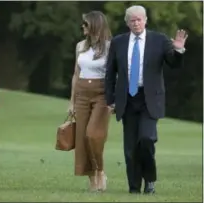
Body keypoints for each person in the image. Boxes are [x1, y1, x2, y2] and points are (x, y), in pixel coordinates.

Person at [105, 5, 188, 194]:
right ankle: (134, 188)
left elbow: (174, 64)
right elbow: (110, 73)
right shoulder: (118, 42)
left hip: (149, 99)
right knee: (130, 148)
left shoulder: (159, 40)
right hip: (127, 99)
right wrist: (110, 99)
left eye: (139, 19)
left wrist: (179, 51)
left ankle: (149, 180)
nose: (136, 23)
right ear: (127, 23)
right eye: (132, 20)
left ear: (145, 20)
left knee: (146, 139)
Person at [68, 11, 112, 192]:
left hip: (102, 94)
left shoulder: (110, 47)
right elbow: (76, 74)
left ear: (95, 25)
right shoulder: (80, 46)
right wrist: (72, 101)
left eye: (86, 24)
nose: (83, 27)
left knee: (93, 135)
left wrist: (114, 99)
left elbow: (115, 74)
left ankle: (100, 171)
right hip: (82, 93)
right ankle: (92, 177)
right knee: (82, 138)